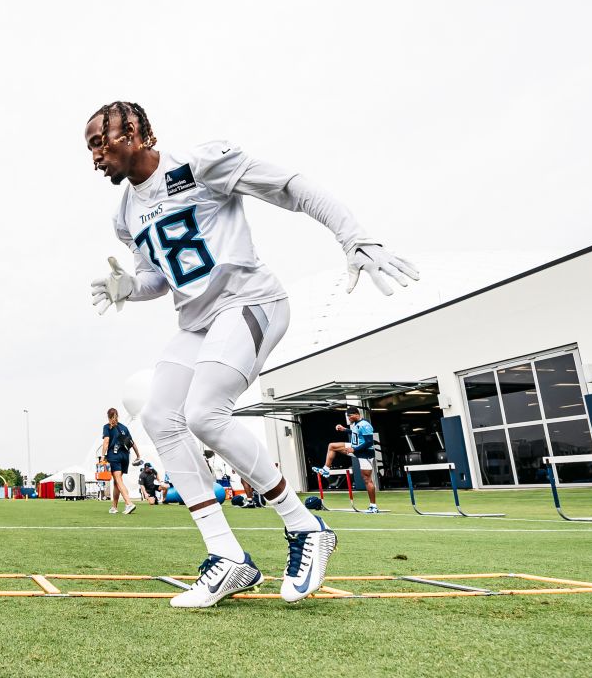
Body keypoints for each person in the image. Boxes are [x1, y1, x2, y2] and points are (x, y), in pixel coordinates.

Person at [85, 101, 417, 606]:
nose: (94, 157)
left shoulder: (199, 164)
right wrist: (127, 286)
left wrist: (354, 236)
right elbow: (160, 276)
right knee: (159, 418)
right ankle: (228, 557)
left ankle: (306, 529)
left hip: (250, 301)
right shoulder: (125, 215)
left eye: (98, 142)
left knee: (204, 413)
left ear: (132, 132)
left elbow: (291, 187)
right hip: (197, 320)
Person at [315, 409, 380, 513]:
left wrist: (354, 449)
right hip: (355, 449)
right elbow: (355, 433)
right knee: (332, 446)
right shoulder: (357, 424)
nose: (348, 419)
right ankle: (326, 469)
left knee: (367, 479)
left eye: (349, 416)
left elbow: (369, 442)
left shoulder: (365, 425)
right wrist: (345, 429)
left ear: (355, 415)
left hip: (365, 454)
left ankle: (373, 506)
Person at [100, 408, 143, 514]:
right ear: (117, 415)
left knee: (118, 480)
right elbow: (132, 443)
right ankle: (114, 507)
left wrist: (102, 456)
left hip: (114, 456)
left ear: (108, 416)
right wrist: (138, 455)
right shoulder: (124, 427)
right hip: (125, 457)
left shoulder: (107, 427)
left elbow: (106, 441)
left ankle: (129, 503)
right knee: (116, 482)